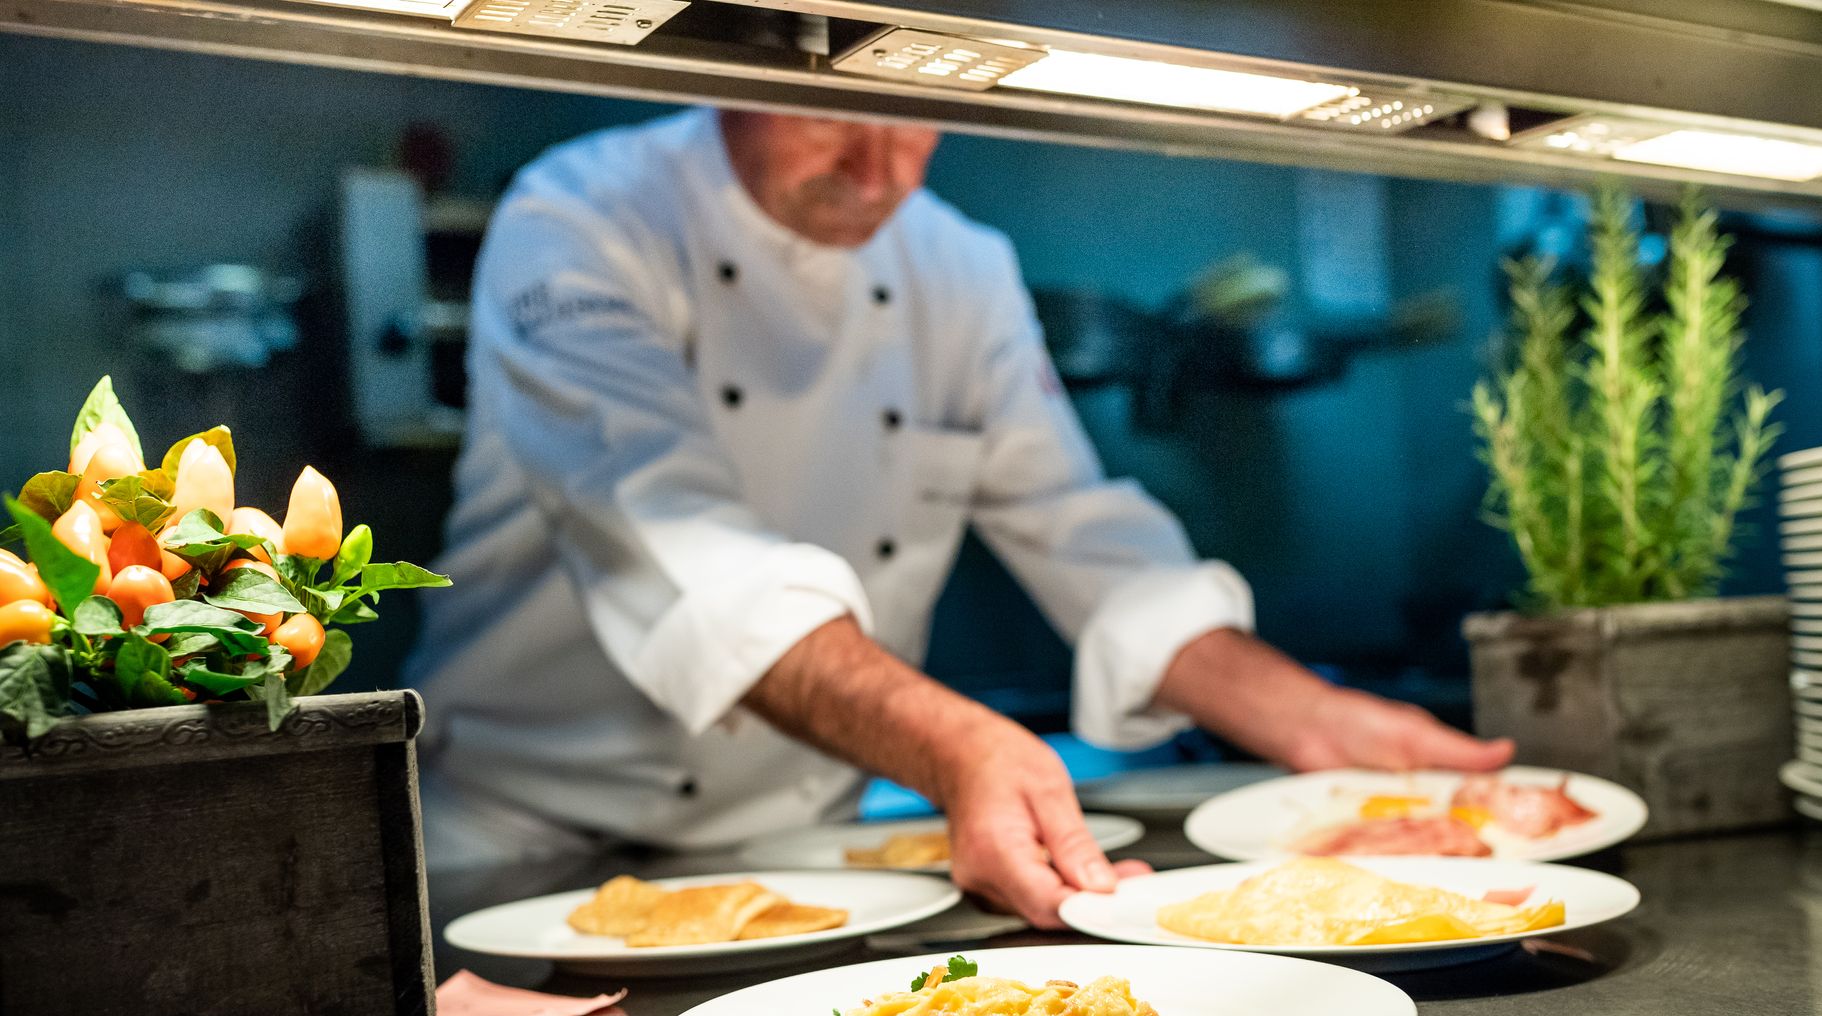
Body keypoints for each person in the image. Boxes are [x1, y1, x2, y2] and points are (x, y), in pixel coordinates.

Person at [406, 107, 1511, 927]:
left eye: (914, 115)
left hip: (788, 848)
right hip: (515, 844)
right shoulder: (579, 218)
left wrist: (1314, 718)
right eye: (834, 112)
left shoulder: (958, 266)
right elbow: (679, 546)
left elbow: (1082, 528)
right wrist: (951, 742)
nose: (880, 169)